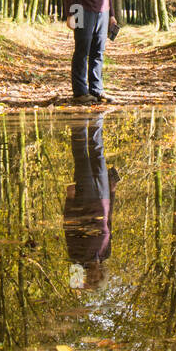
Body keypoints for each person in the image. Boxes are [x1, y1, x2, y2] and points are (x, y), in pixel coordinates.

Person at [64, 114, 119, 290]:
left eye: (92, 280)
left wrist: (69, 199)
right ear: (103, 275)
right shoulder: (106, 254)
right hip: (103, 199)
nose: (94, 277)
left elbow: (69, 230)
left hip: (84, 200)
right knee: (98, 154)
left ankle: (77, 121)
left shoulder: (77, 259)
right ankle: (96, 118)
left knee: (81, 156)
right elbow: (109, 223)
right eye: (98, 280)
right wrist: (112, 192)